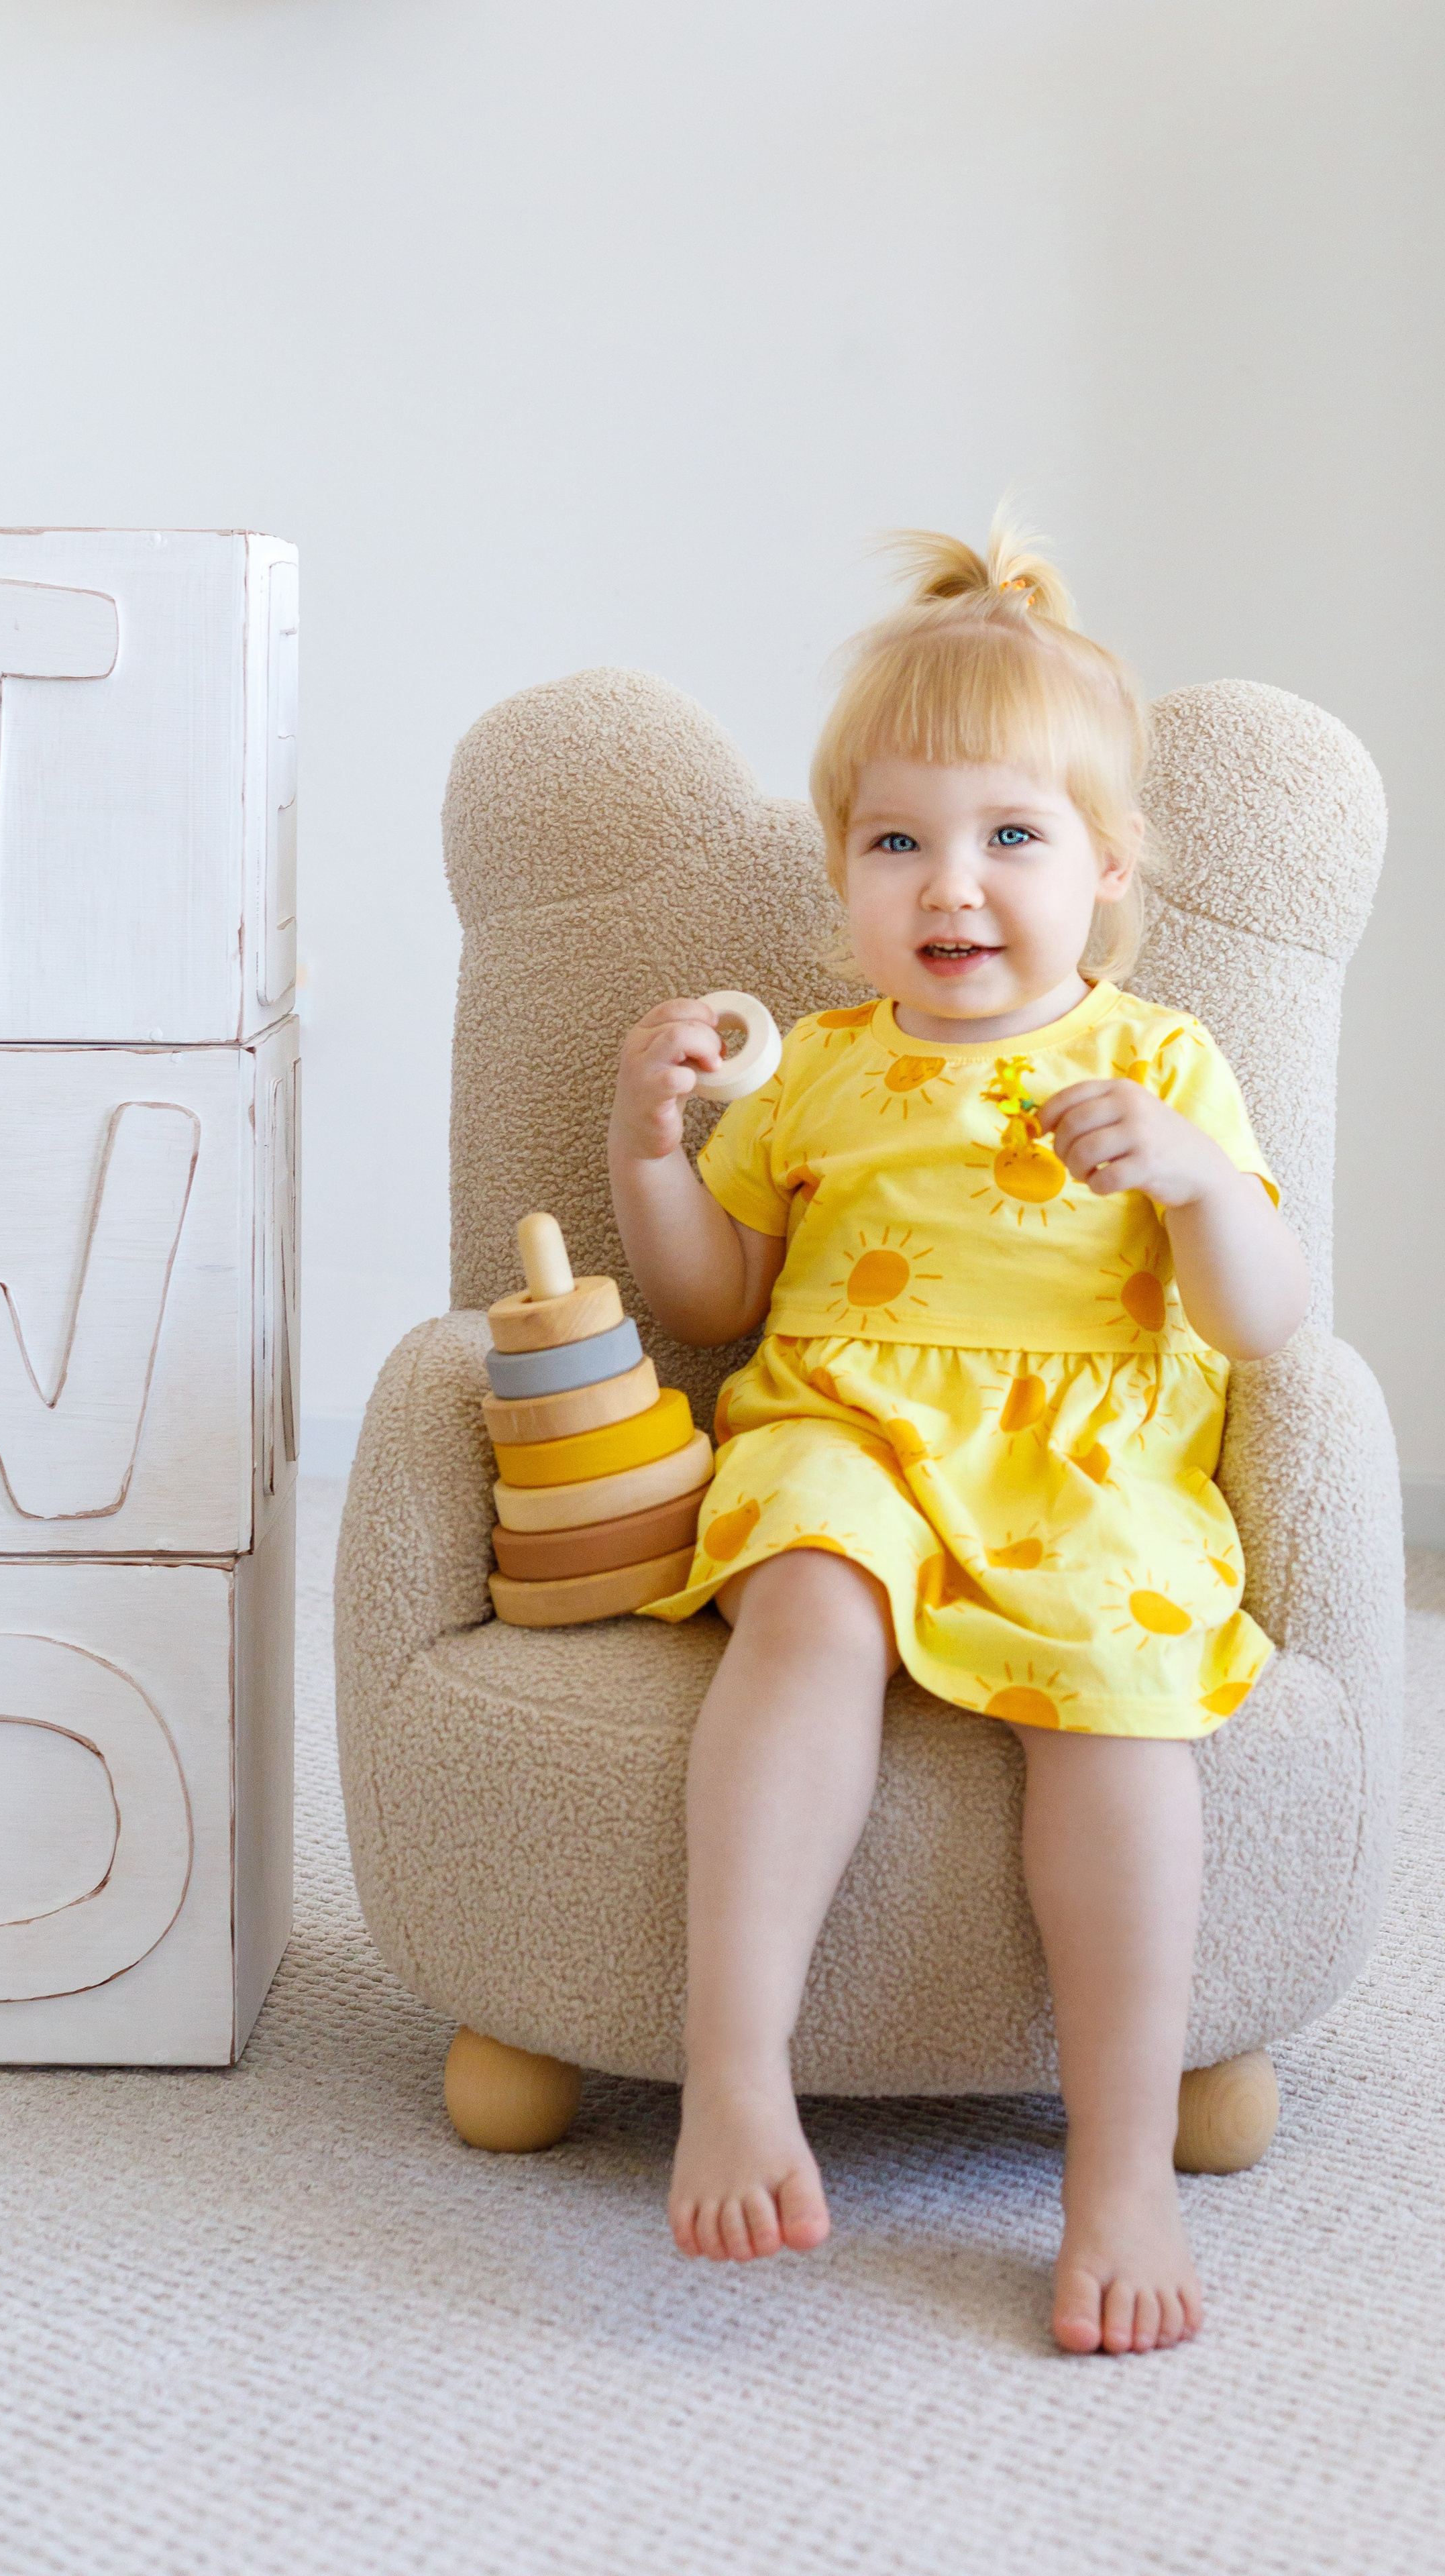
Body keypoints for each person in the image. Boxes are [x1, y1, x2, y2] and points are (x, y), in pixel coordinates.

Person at [608, 525, 1308, 2355]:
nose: (955, 886)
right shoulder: (821, 1063)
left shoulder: (1159, 1065)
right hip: (843, 1425)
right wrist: (648, 1150)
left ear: (1106, 866)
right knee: (808, 1598)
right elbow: (709, 1298)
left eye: (1012, 837)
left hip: (1083, 1468)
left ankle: (1121, 2172)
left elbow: (1263, 1320)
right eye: (898, 843)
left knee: (1118, 1706)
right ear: (842, 866)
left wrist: (1196, 1182)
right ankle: (735, 2069)